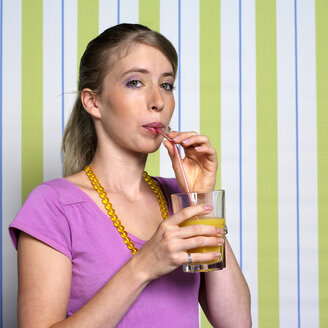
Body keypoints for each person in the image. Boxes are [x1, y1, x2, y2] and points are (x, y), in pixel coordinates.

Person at [9, 23, 251, 328]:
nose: (158, 102)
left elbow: (237, 323)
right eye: (135, 82)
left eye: (166, 85)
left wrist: (198, 201)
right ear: (93, 101)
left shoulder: (177, 199)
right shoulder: (53, 205)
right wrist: (144, 266)